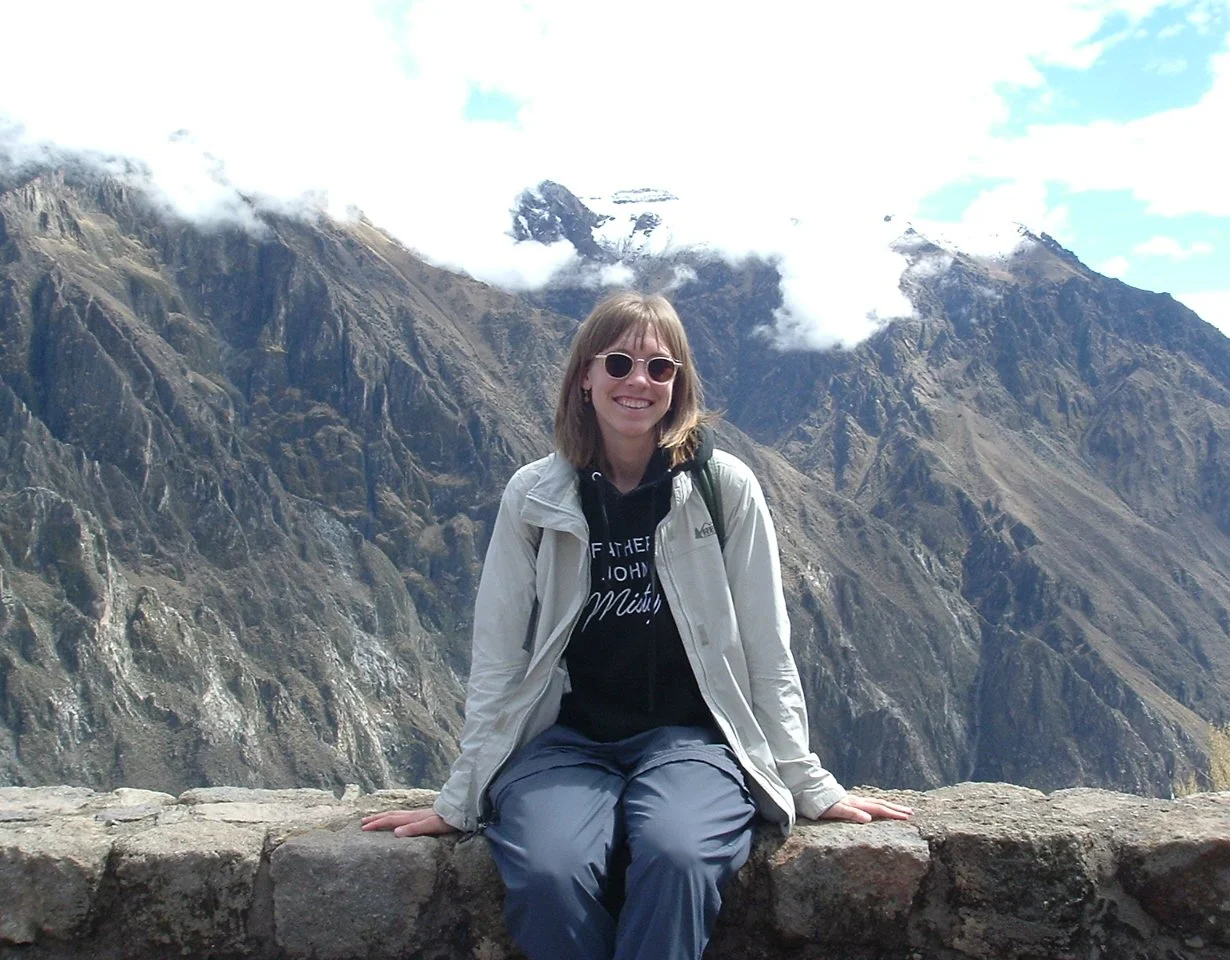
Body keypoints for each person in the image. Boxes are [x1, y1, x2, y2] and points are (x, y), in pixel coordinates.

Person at [362, 291, 912, 959]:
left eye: (660, 368)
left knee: (681, 856)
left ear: (679, 384)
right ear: (584, 378)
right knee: (547, 872)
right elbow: (499, 650)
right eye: (619, 362)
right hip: (563, 742)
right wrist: (461, 795)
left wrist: (807, 782)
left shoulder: (723, 488)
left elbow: (768, 646)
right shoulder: (535, 496)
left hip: (690, 741)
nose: (638, 382)